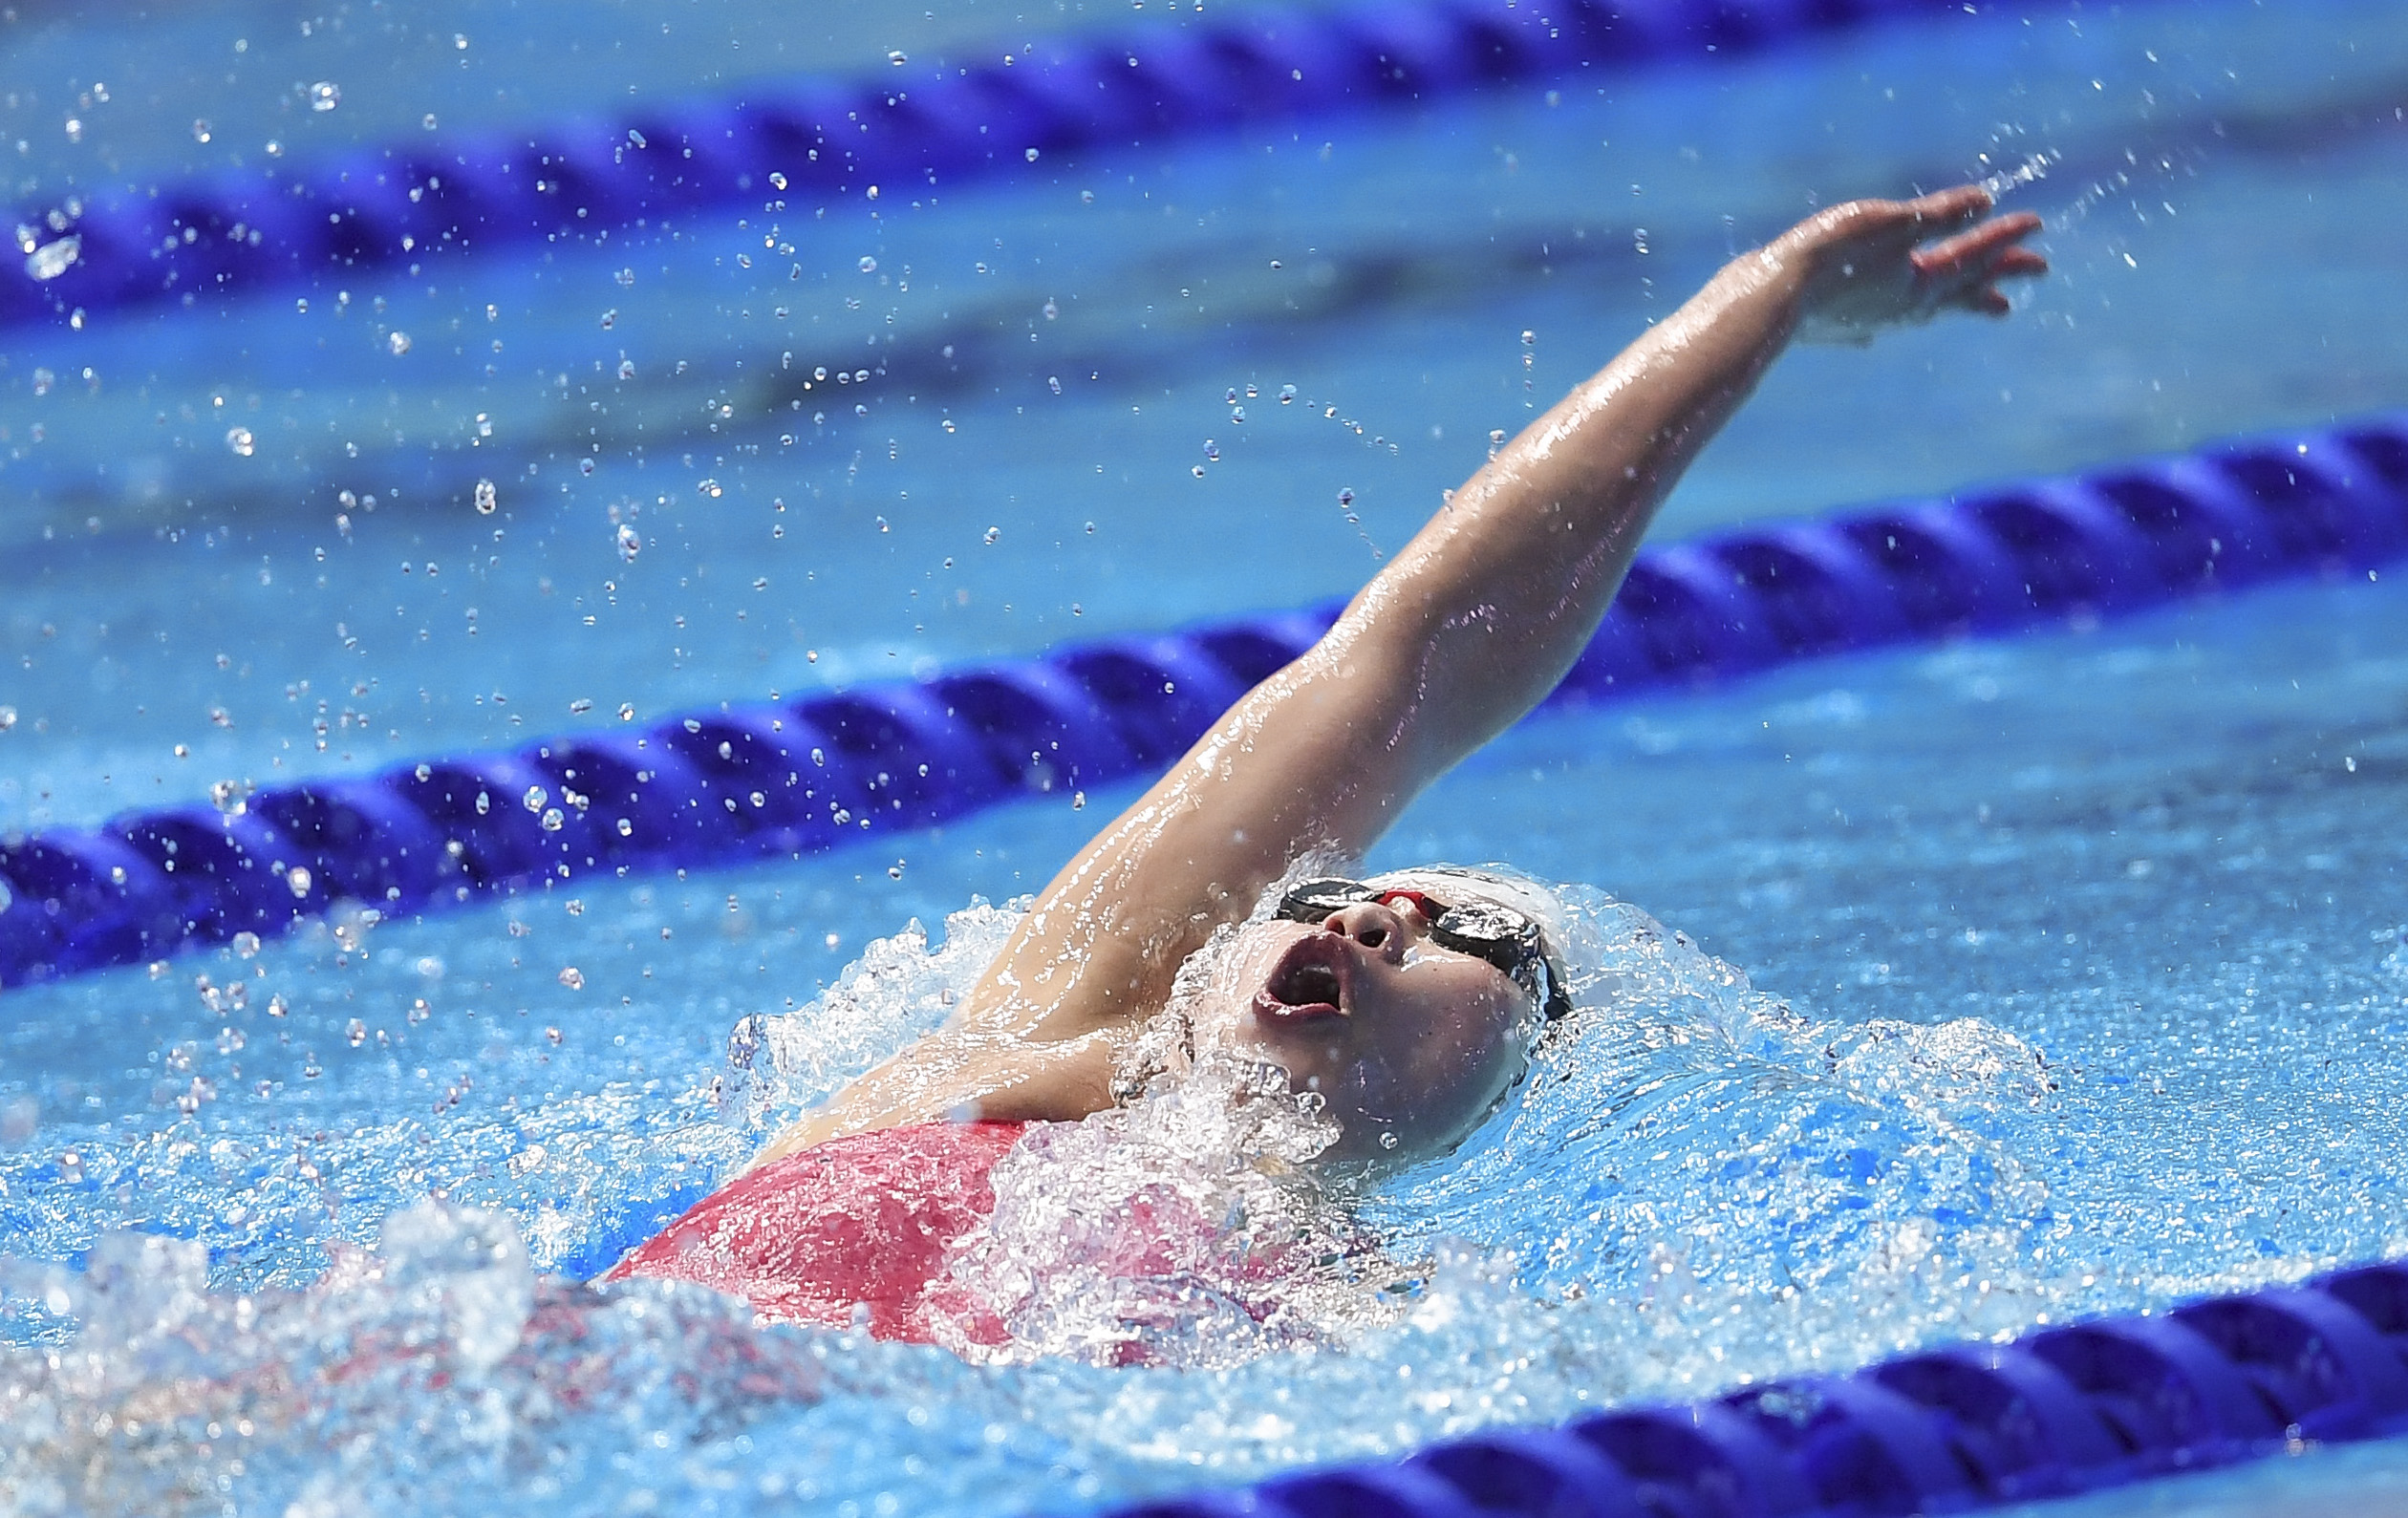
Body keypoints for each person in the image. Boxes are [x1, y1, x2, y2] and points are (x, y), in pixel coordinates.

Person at [603, 183, 2048, 1343]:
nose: (1374, 916)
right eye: (1364, 888)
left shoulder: (1351, 1325)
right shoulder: (1052, 1028)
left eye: (1472, 939)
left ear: (1489, 1098)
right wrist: (1772, 298)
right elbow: (1418, 658)